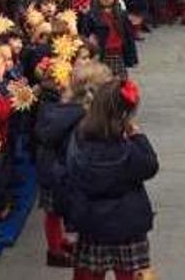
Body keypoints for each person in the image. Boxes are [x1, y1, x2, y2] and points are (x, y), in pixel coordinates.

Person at [65, 78, 158, 280]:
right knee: (131, 275)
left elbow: (71, 177)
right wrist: (138, 136)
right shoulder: (129, 152)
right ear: (125, 115)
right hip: (128, 226)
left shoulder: (80, 143)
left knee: (89, 275)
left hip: (92, 225)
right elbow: (150, 165)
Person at [35, 61, 113, 268]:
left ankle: (55, 247)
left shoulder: (60, 109)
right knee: (62, 211)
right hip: (65, 172)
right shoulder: (84, 118)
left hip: (50, 169)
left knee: (51, 212)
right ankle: (58, 249)